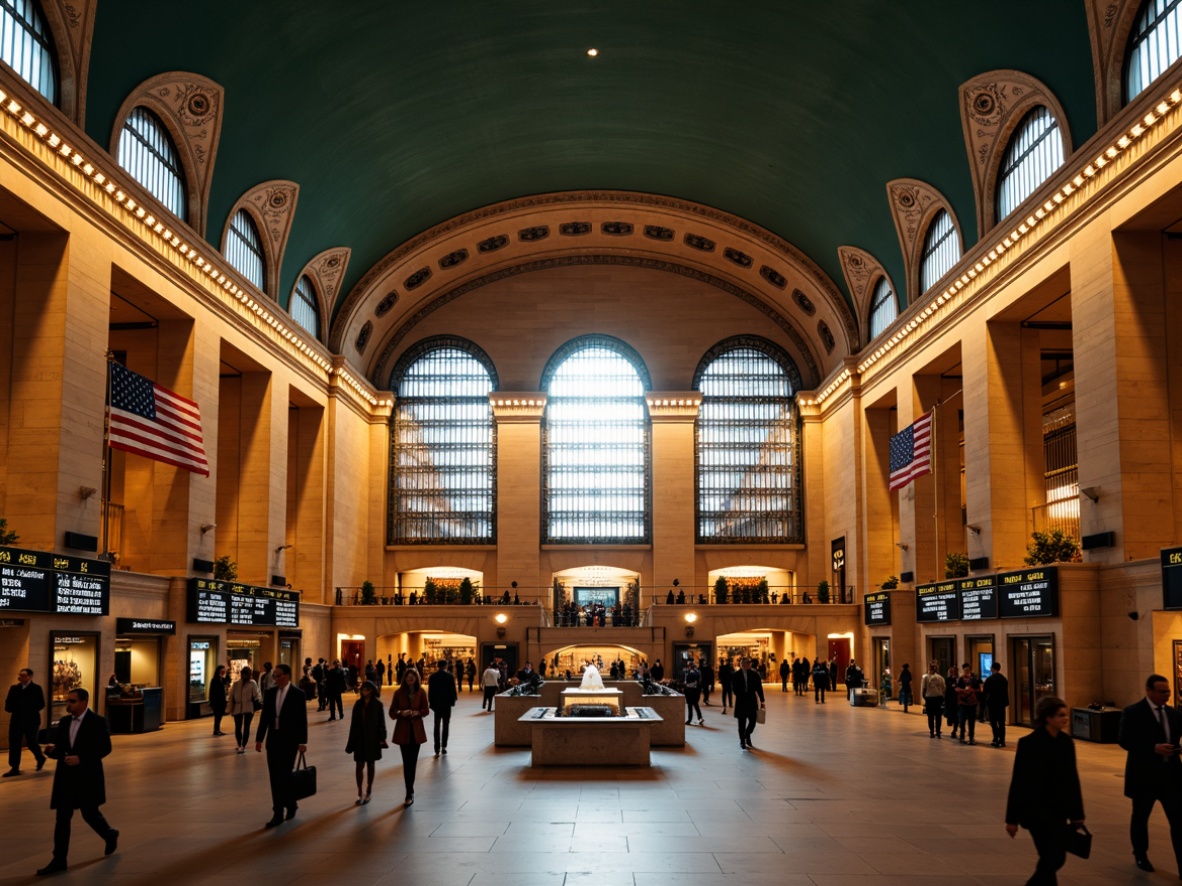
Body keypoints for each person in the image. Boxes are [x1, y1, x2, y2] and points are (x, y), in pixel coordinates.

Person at [35, 688, 119, 875]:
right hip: (66, 778)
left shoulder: (97, 722)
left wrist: (82, 758)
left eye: (72, 701)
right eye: (68, 701)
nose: (68, 705)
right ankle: (59, 859)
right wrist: (51, 751)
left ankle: (109, 833)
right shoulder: (65, 722)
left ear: (84, 702)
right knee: (62, 818)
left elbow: (105, 748)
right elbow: (63, 749)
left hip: (87, 776)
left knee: (89, 813)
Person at [1005, 696, 1085, 886]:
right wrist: (1012, 819)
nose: (1066, 719)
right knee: (1054, 857)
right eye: (1061, 715)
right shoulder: (1029, 744)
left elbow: (1072, 780)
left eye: (1065, 715)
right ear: (1048, 718)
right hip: (1035, 812)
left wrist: (1077, 814)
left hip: (1058, 812)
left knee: (1052, 857)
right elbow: (1019, 782)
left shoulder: (1066, 743)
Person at [1118, 673, 1182, 873]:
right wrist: (1153, 748)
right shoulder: (1133, 712)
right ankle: (1140, 854)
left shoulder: (1173, 714)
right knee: (1140, 817)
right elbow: (1125, 740)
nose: (1166, 695)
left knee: (1178, 820)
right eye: (1162, 692)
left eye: (1168, 691)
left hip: (1170, 777)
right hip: (1144, 776)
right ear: (1149, 691)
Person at [254, 663, 307, 828]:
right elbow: (265, 718)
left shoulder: (298, 694)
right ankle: (278, 812)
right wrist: (259, 738)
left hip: (289, 742)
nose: (275, 679)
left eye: (278, 676)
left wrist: (302, 742)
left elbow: (301, 719)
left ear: (287, 676)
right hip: (273, 740)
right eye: (274, 676)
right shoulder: (270, 694)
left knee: (285, 775)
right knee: (274, 777)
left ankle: (289, 804)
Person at [390, 666, 429, 805]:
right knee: (407, 763)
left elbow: (426, 710)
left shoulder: (421, 692)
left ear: (416, 678)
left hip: (416, 732)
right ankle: (409, 792)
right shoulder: (398, 693)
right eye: (408, 676)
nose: (410, 678)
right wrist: (401, 712)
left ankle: (410, 791)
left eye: (413, 676)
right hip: (403, 732)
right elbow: (392, 712)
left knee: (412, 762)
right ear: (405, 679)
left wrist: (417, 713)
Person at [346, 680, 387, 804]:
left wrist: (382, 738)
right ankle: (359, 791)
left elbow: (382, 723)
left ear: (372, 690)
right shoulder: (358, 704)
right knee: (359, 765)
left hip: (372, 739)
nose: (365, 691)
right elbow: (353, 724)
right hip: (359, 739)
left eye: (367, 689)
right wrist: (351, 742)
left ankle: (369, 789)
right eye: (363, 689)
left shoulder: (378, 705)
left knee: (371, 764)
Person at [4, 667, 47, 777]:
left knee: (32, 742)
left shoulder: (36, 689)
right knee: (14, 743)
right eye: (20, 675)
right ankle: (14, 767)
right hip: (17, 720)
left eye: (23, 675)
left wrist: (29, 708)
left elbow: (41, 704)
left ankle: (40, 758)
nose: (20, 677)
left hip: (31, 720)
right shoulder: (14, 688)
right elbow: (8, 703)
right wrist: (12, 707)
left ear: (29, 677)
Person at [731, 657, 765, 750]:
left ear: (750, 664)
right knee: (741, 723)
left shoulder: (755, 674)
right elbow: (734, 688)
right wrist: (739, 693)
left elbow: (759, 688)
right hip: (741, 701)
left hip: (751, 700)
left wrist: (762, 700)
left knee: (753, 721)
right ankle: (742, 740)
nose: (746, 665)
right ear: (741, 665)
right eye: (744, 664)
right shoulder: (736, 675)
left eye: (748, 663)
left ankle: (747, 734)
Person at [428, 659, 457, 756]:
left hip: (437, 704)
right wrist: (453, 701)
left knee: (436, 725)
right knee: (446, 725)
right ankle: (444, 746)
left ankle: (436, 748)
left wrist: (431, 703)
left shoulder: (432, 677)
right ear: (445, 666)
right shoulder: (449, 676)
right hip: (446, 704)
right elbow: (452, 690)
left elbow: (430, 692)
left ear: (437, 666)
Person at [983, 662, 1010, 747]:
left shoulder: (990, 679)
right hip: (1001, 703)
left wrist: (985, 702)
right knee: (1001, 722)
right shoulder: (1003, 679)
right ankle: (1002, 740)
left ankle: (996, 737)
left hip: (993, 703)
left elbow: (986, 692)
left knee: (993, 721)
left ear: (992, 668)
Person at [956, 664, 982, 744]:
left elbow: (978, 689)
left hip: (971, 703)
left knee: (971, 721)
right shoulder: (960, 679)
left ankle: (971, 737)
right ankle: (963, 736)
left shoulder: (974, 679)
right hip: (963, 702)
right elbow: (957, 689)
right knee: (962, 720)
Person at [920, 662, 946, 739]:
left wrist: (924, 698)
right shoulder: (940, 678)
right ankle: (938, 732)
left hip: (929, 698)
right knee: (938, 716)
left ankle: (932, 732)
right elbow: (944, 688)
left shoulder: (926, 678)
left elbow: (923, 689)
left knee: (930, 716)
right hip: (938, 698)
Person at [208, 665, 229, 737]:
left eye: (224, 671)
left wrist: (227, 673)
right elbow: (211, 692)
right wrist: (211, 701)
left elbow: (227, 680)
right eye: (222, 671)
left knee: (219, 716)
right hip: (216, 702)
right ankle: (216, 730)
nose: (223, 673)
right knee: (217, 716)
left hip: (222, 701)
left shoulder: (221, 679)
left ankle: (217, 730)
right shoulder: (214, 680)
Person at [683, 660, 703, 725]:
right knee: (693, 705)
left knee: (692, 705)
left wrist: (688, 685)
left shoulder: (694, 672)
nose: (689, 666)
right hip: (691, 691)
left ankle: (692, 719)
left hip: (692, 691)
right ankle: (698, 718)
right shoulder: (690, 672)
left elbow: (696, 682)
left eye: (689, 665)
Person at [944, 666, 961, 739]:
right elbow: (946, 688)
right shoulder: (948, 680)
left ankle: (955, 729)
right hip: (950, 700)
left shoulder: (959, 680)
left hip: (957, 700)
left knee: (956, 716)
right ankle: (954, 727)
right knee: (952, 715)